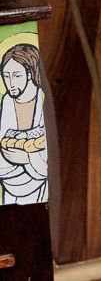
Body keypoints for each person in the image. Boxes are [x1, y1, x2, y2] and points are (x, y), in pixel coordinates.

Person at [0, 44, 48, 205]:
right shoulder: (7, 101)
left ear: (29, 74)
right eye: (6, 76)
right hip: (10, 182)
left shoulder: (43, 97)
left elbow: (50, 148)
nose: (10, 82)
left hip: (41, 185)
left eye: (16, 75)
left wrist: (28, 158)